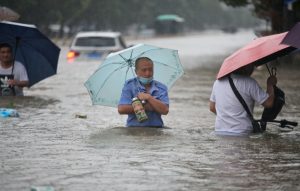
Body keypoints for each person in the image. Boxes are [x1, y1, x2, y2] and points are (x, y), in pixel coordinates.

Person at [209, 64, 277, 135]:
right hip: (242, 133)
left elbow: (212, 107)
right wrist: (270, 85)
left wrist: (228, 116)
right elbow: (269, 103)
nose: (253, 69)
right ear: (246, 67)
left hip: (220, 132)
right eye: (252, 66)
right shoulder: (250, 82)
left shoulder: (218, 82)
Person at [118, 57, 169, 127]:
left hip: (156, 129)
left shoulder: (161, 87)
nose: (147, 73)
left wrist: (149, 97)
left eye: (150, 70)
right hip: (134, 129)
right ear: (136, 71)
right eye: (144, 70)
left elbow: (165, 110)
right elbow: (121, 109)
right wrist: (146, 107)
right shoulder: (129, 85)